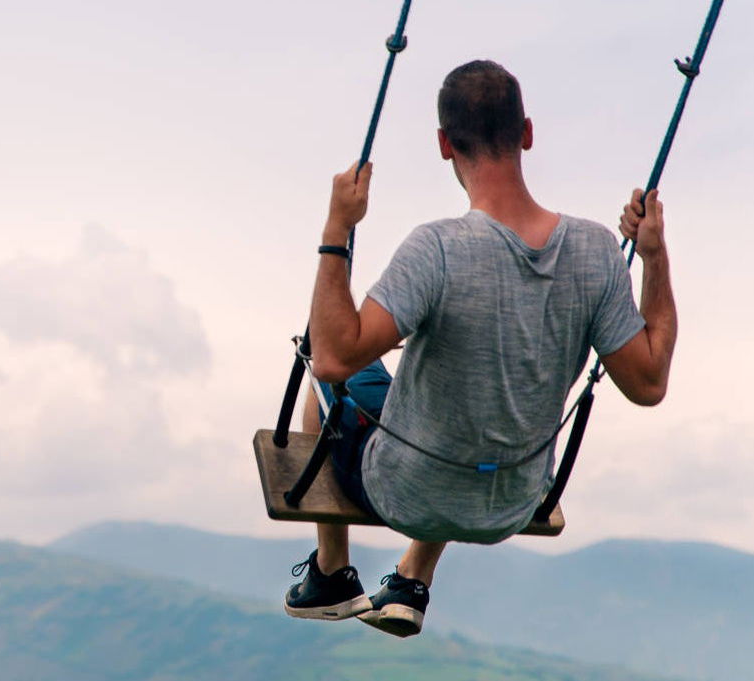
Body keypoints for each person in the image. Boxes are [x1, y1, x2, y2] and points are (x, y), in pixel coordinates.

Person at [284, 60, 676, 637]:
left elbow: (336, 358)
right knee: (467, 391)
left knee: (321, 349)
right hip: (511, 501)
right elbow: (649, 385)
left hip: (403, 492)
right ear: (527, 133)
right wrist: (655, 257)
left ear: (444, 144)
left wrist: (337, 227)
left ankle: (332, 571)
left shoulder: (437, 249)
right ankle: (412, 578)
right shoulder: (595, 252)